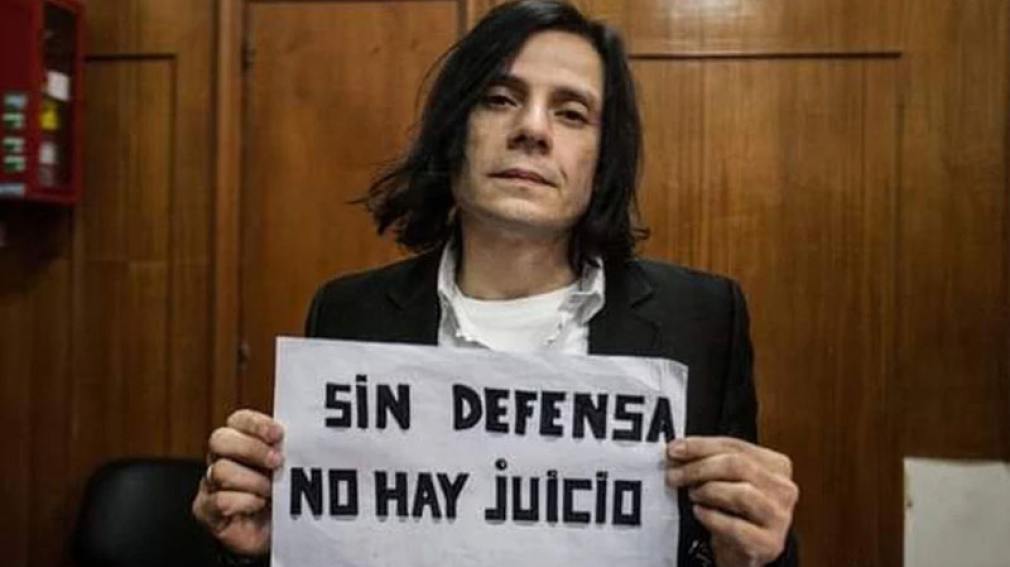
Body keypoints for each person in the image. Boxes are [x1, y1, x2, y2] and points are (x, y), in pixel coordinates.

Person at [192, 1, 799, 565]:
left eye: (571, 113)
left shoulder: (702, 319)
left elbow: (727, 545)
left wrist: (758, 554)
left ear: (602, 159)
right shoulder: (349, 313)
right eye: (500, 99)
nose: (532, 129)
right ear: (454, 131)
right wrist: (259, 546)